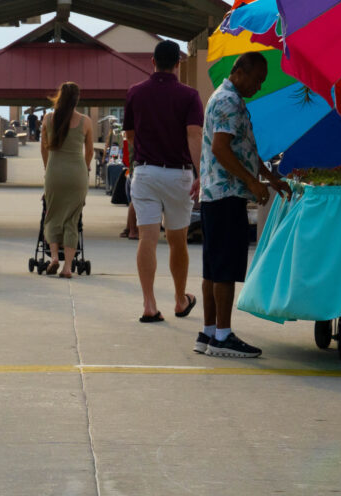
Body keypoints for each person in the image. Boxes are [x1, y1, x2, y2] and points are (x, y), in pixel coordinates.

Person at [195, 51, 290, 358]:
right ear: (240, 72)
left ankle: (208, 333)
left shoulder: (224, 98)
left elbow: (243, 148)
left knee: (212, 268)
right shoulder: (228, 102)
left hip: (216, 195)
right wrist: (251, 182)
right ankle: (222, 336)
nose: (258, 87)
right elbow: (222, 149)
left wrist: (268, 177)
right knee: (224, 268)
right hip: (226, 195)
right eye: (257, 80)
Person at [123, 39, 203, 323]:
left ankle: (148, 303)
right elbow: (194, 136)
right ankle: (180, 300)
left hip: (145, 171)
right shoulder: (190, 96)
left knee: (147, 237)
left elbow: (130, 136)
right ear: (178, 64)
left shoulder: (135, 93)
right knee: (177, 239)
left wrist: (138, 162)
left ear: (153, 63)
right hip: (177, 173)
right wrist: (199, 172)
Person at [40, 82, 94, 278]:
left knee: (52, 216)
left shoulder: (48, 119)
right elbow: (89, 152)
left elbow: (44, 149)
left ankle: (54, 256)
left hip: (55, 172)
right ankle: (68, 267)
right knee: (72, 220)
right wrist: (85, 168)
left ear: (59, 97)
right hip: (76, 175)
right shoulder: (85, 121)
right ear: (77, 99)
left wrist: (48, 170)